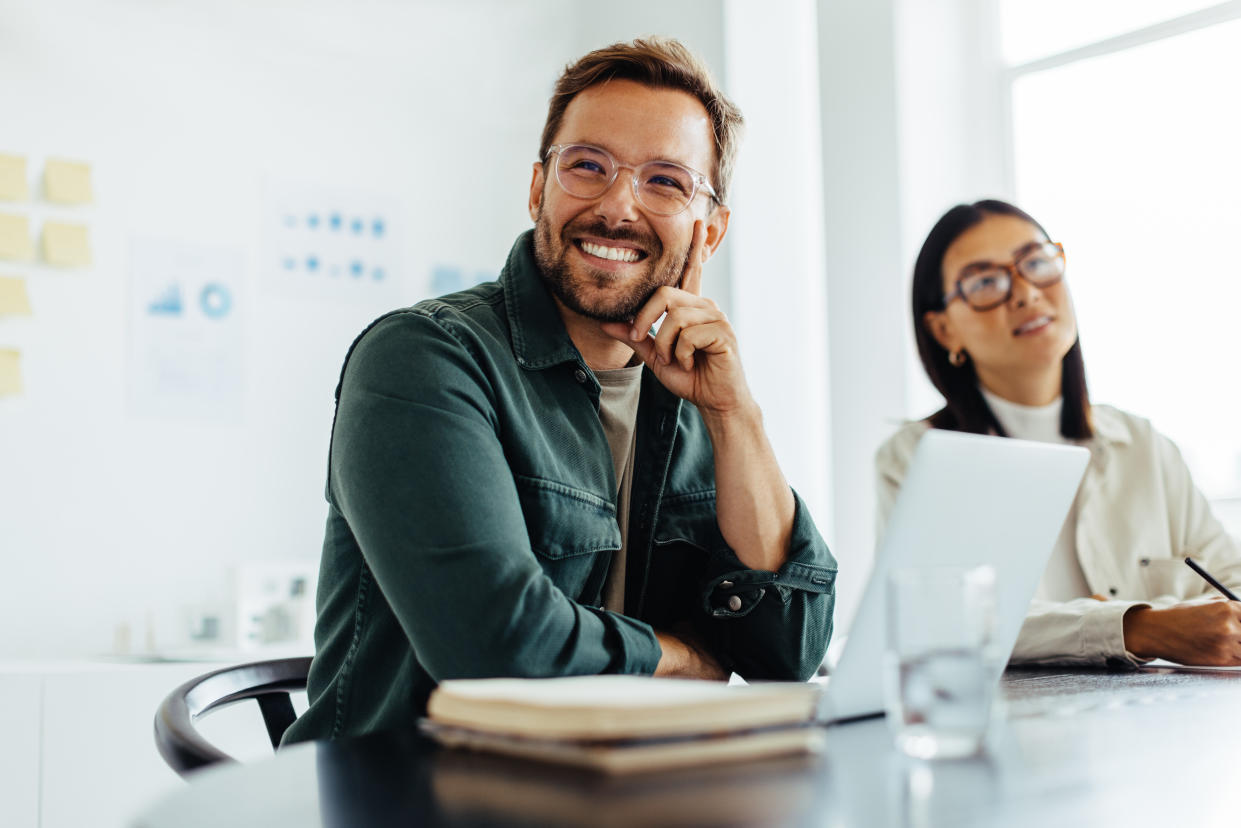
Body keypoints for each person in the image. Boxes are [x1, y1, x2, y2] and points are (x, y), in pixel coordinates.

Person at [282, 38, 837, 745]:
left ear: (711, 229)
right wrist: (683, 657)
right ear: (539, 188)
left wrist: (734, 415)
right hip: (411, 798)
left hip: (622, 791)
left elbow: (789, 651)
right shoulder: (422, 359)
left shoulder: (697, 395)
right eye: (587, 167)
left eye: (664, 181)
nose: (617, 207)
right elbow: (496, 649)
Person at [876, 199, 1241, 668]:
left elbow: (1229, 586)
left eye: (1035, 262)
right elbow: (940, 622)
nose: (1026, 292)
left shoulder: (1144, 446)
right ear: (944, 329)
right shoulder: (913, 458)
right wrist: (1136, 628)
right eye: (986, 281)